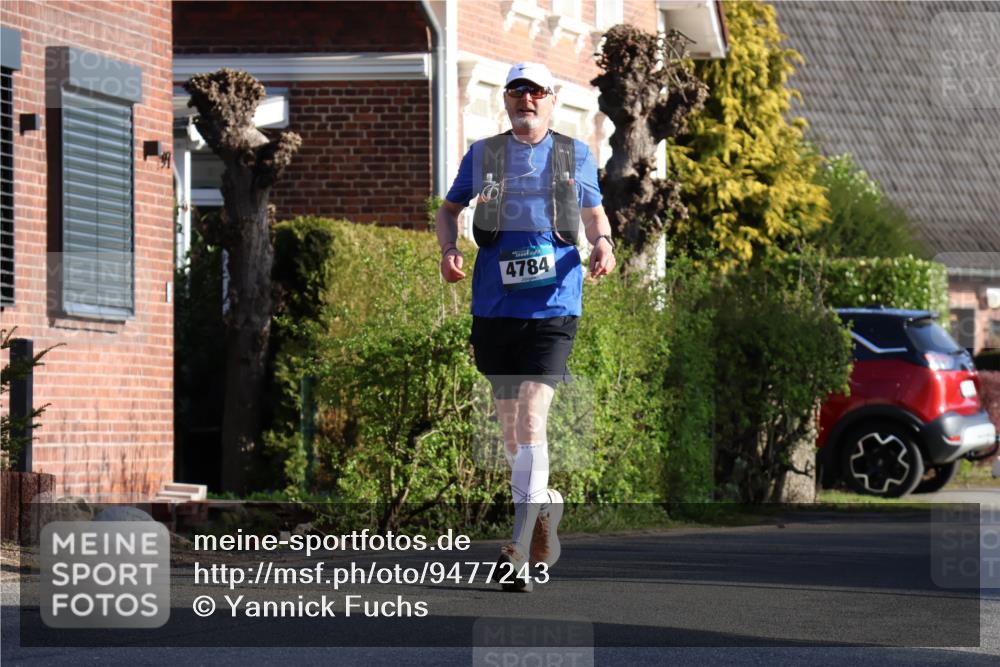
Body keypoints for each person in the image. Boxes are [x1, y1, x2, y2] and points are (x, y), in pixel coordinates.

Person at [435, 62, 616, 592]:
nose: (526, 100)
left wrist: (603, 244)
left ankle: (516, 548)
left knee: (533, 417)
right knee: (513, 433)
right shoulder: (484, 155)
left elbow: (594, 217)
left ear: (551, 99)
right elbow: (448, 211)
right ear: (506, 100)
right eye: (516, 91)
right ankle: (544, 509)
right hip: (494, 307)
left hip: (555, 304)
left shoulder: (574, 154)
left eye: (536, 91)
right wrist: (448, 249)